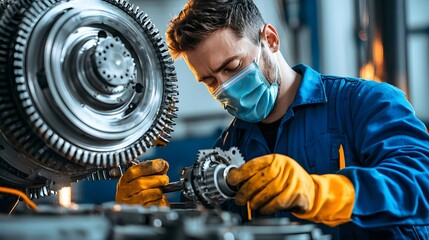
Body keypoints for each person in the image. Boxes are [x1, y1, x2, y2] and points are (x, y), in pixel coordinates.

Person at [116, 0, 429, 239]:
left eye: (233, 66)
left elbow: (420, 184)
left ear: (270, 39)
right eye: (210, 81)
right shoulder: (225, 150)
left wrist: (319, 191)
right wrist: (152, 218)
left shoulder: (365, 102)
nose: (225, 86)